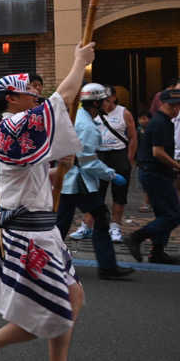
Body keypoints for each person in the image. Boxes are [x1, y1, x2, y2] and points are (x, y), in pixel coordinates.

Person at [0, 43, 93, 361]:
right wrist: (80, 62)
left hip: (42, 228)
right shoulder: (10, 125)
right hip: (28, 233)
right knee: (57, 311)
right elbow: (62, 99)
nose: (36, 95)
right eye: (29, 91)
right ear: (11, 98)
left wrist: (57, 170)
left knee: (72, 294)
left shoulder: (14, 128)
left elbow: (30, 178)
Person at [56, 83, 134, 280]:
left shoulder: (78, 118)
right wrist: (111, 174)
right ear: (97, 103)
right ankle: (107, 267)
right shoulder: (87, 126)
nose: (110, 104)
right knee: (100, 217)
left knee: (60, 224)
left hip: (69, 181)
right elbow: (88, 162)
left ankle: (47, 263)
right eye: (106, 101)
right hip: (79, 181)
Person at [126, 88, 180, 265]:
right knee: (173, 215)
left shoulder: (165, 122)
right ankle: (136, 237)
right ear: (162, 104)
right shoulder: (159, 123)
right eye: (172, 106)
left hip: (159, 173)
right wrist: (177, 165)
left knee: (165, 214)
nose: (176, 109)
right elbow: (158, 152)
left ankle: (157, 251)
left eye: (177, 106)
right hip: (154, 173)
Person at [95, 86, 138, 243]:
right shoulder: (95, 112)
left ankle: (115, 227)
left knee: (119, 193)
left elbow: (133, 137)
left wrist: (129, 158)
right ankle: (88, 225)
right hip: (100, 155)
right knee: (96, 191)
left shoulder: (123, 112)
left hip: (118, 154)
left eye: (106, 99)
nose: (103, 103)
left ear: (113, 97)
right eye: (101, 100)